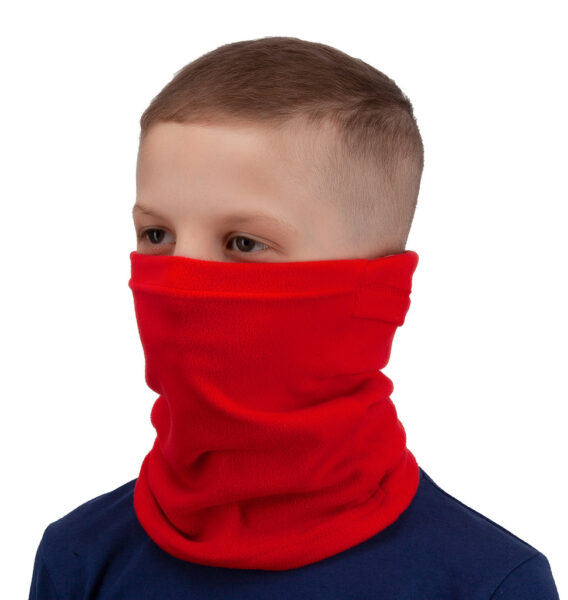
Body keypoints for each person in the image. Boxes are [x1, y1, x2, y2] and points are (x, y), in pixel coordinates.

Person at [28, 36, 560, 599]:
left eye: (243, 242)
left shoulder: (486, 585)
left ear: (379, 293)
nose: (181, 281)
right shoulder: (79, 557)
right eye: (157, 234)